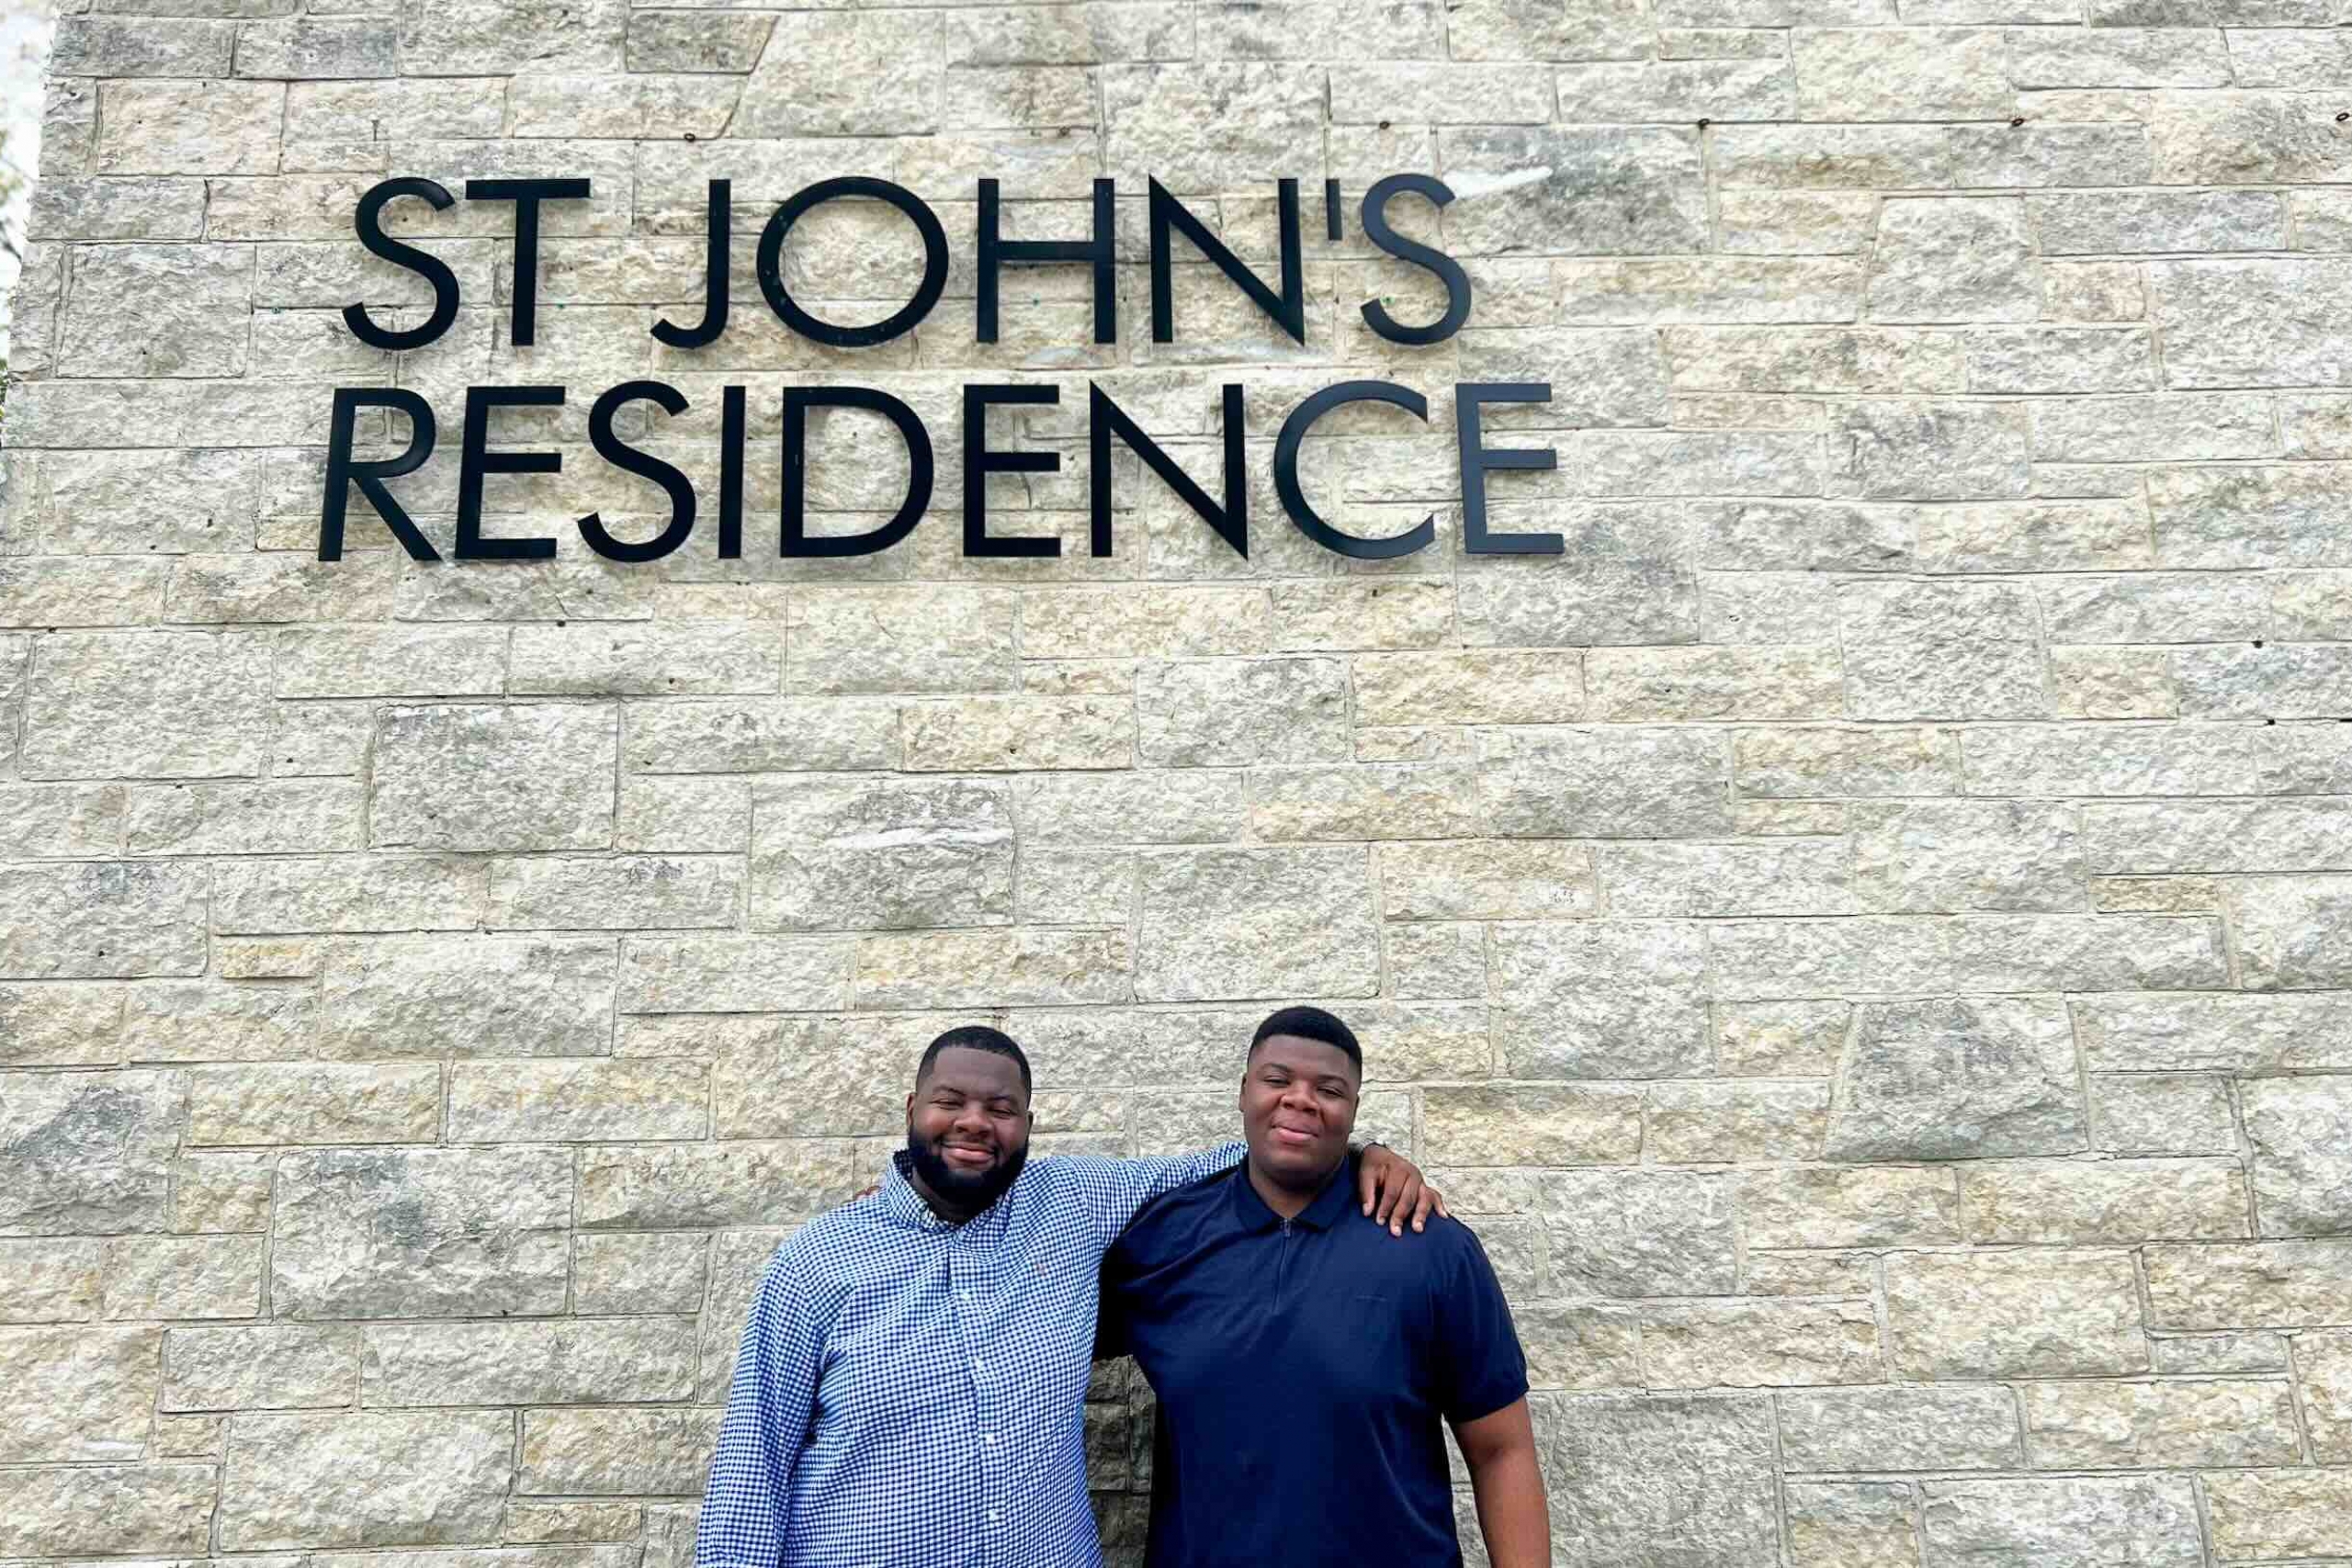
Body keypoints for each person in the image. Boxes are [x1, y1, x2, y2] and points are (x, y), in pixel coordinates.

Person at [693, 1023, 1444, 1568]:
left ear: (1028, 1122)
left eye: (1002, 1108)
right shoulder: (817, 1260)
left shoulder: (1072, 1204)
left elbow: (1229, 1160)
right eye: (950, 1100)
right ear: (912, 1106)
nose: (974, 1123)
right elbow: (751, 1468)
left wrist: (1359, 1150)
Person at [1098, 1006, 1550, 1568]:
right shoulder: (1160, 1243)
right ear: (1244, 1091)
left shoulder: (1431, 1248)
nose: (1300, 1100)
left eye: (1329, 1089)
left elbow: (1501, 1452)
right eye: (1278, 1080)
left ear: (1354, 1111)